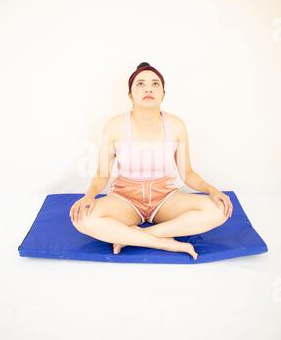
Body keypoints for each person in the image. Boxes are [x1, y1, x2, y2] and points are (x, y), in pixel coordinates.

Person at [70, 62, 233, 260]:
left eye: (155, 84)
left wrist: (212, 190)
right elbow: (102, 174)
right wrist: (89, 196)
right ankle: (165, 243)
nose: (148, 88)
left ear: (163, 93)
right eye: (140, 84)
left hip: (165, 197)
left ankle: (135, 237)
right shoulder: (115, 126)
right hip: (125, 198)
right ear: (130, 94)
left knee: (219, 210)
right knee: (82, 219)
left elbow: (187, 174)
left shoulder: (176, 125)